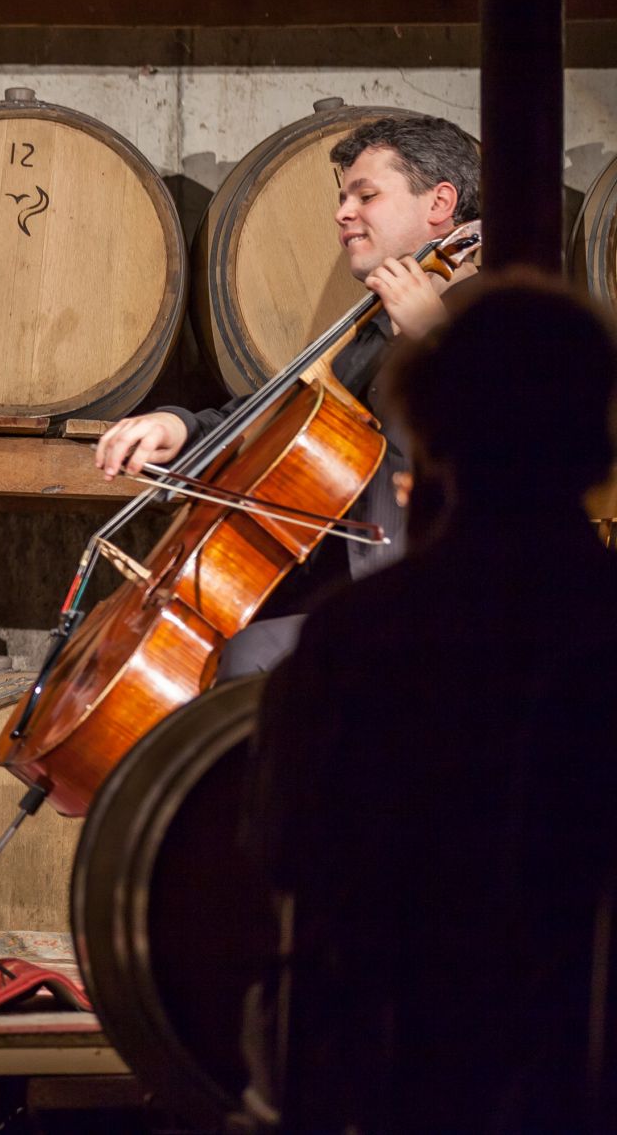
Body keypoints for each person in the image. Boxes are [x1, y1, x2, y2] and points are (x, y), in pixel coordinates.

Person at [246, 272, 617, 1132]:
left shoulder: (355, 636)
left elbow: (280, 852)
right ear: (597, 440)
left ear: (434, 431)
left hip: (401, 1072)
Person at [93, 114, 482, 678]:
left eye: (365, 195)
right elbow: (278, 415)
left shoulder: (501, 314)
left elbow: (534, 449)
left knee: (251, 658)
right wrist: (178, 429)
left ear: (440, 203)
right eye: (343, 197)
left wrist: (436, 340)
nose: (342, 212)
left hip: (453, 610)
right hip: (357, 596)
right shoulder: (371, 329)